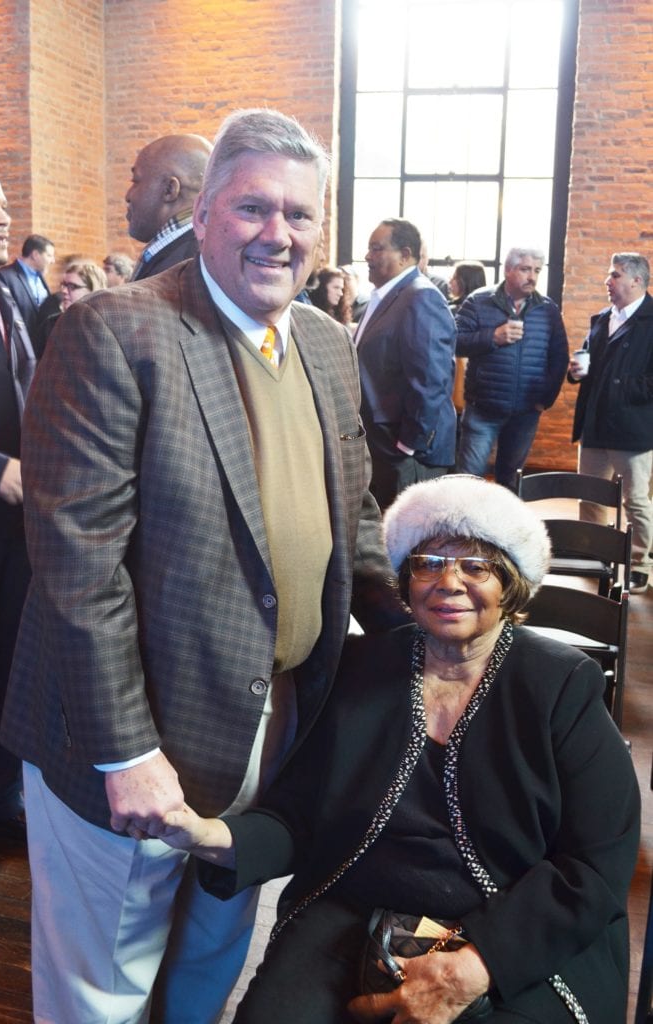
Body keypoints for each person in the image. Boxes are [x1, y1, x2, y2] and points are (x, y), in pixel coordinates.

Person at [0, 108, 407, 1024]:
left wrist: (427, 631)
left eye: (299, 214)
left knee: (212, 954)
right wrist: (126, 752)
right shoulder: (114, 331)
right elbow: (78, 568)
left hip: (277, 719)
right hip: (130, 733)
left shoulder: (325, 343)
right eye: (253, 208)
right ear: (204, 213)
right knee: (104, 984)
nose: (278, 234)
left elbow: (354, 513)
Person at [149, 473, 640, 1024]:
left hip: (512, 930)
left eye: (476, 567)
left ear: (510, 583)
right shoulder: (362, 666)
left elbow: (594, 864)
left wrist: (475, 967)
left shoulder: (560, 684)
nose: (449, 582)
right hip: (352, 909)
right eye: (429, 563)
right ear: (406, 581)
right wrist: (212, 837)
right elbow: (299, 815)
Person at [0, 165, 38, 839]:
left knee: (10, 666)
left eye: (3, 205)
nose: (4, 218)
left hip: (14, 526)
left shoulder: (3, 287)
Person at [355, 217, 457, 511]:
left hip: (407, 454)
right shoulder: (389, 295)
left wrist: (409, 444)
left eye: (377, 248)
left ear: (405, 254)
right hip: (385, 445)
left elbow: (430, 380)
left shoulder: (420, 297)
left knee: (406, 531)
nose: (367, 256)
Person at [568, 251, 653, 594]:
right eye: (609, 274)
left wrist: (618, 386)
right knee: (589, 496)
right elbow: (588, 361)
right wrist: (576, 372)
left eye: (615, 275)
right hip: (595, 423)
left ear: (637, 280)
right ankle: (593, 553)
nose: (608, 281)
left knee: (635, 501)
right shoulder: (602, 318)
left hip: (633, 427)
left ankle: (639, 563)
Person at [455, 248, 568, 489]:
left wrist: (545, 400)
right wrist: (492, 337)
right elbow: (455, 342)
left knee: (510, 483)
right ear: (508, 270)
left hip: (526, 412)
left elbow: (559, 358)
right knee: (468, 481)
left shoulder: (548, 309)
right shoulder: (478, 301)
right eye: (525, 269)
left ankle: (503, 517)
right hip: (482, 409)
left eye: (537, 270)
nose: (532, 277)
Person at [127, 132, 212, 280]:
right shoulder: (193, 254)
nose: (128, 196)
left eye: (136, 181)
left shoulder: (188, 266)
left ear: (169, 189)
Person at [36, 258, 107, 352]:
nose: (64, 291)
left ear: (92, 290)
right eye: (64, 285)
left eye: (72, 286)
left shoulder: (106, 328)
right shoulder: (51, 325)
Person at [0, 233, 55, 339]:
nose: (53, 261)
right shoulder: (4, 276)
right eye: (49, 256)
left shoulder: (40, 278)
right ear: (35, 255)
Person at [447, 261, 487, 421]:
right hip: (481, 388)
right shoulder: (488, 312)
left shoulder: (453, 311)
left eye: (454, 278)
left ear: (465, 282)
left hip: (455, 382)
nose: (450, 281)